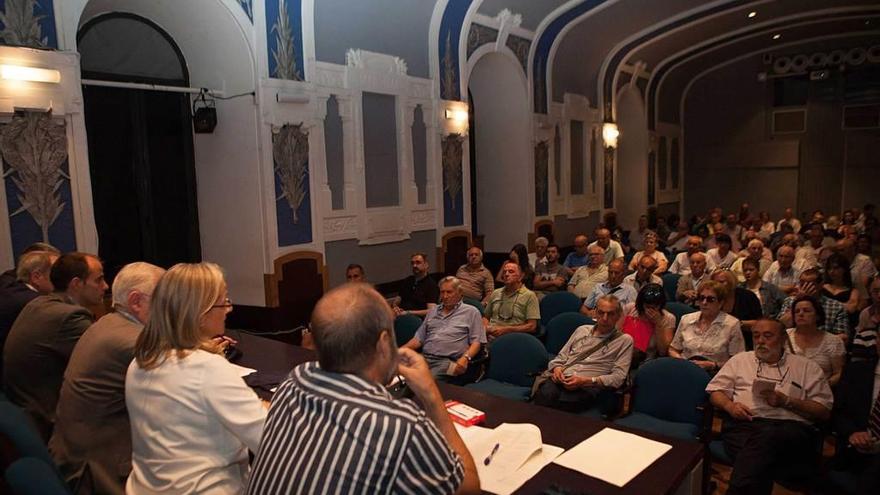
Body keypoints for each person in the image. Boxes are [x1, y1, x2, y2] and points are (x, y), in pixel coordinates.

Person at [246, 283, 479, 495]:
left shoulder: (293, 382)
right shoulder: (401, 425)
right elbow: (468, 488)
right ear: (383, 342)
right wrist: (431, 396)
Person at [125, 262, 267, 494]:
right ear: (201, 314)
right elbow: (268, 440)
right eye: (224, 302)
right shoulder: (207, 368)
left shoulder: (140, 362)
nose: (228, 310)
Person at [49, 262, 165, 494]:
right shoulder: (133, 341)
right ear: (136, 301)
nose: (171, 307)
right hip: (99, 472)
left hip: (75, 450)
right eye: (164, 299)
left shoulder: (106, 323)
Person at [707, 319, 833, 495]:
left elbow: (824, 411)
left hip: (790, 429)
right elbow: (715, 392)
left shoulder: (806, 367)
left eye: (767, 336)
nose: (760, 341)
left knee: (762, 446)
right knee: (762, 454)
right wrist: (730, 406)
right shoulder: (740, 360)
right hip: (744, 424)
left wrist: (787, 401)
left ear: (783, 339)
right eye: (756, 336)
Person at [3, 252, 107, 440]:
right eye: (98, 280)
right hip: (48, 423)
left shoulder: (41, 303)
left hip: (27, 412)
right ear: (76, 284)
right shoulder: (68, 317)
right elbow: (105, 362)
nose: (105, 286)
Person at [532, 295, 633, 412]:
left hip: (588, 386)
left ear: (618, 316)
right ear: (595, 312)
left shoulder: (624, 340)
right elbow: (560, 357)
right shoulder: (582, 330)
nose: (605, 318)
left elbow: (618, 378)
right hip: (562, 378)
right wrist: (557, 369)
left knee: (561, 405)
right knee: (544, 395)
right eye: (601, 313)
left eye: (610, 314)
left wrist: (587, 381)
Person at [404, 277, 485, 385]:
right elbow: (418, 339)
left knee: (424, 383)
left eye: (449, 292)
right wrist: (399, 351)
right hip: (424, 357)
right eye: (442, 292)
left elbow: (476, 342)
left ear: (460, 293)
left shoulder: (471, 312)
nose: (445, 296)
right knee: (401, 378)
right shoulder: (433, 311)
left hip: (449, 362)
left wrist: (465, 358)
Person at [831, 326, 879, 495]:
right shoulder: (855, 371)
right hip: (855, 449)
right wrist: (852, 433)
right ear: (877, 342)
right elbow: (838, 412)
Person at [0, 250, 58, 382]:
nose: (62, 278)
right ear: (36, 277)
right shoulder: (36, 304)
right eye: (57, 273)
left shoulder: (9, 284)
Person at [669, 280, 745, 373]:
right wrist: (682, 361)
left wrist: (713, 365)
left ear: (721, 303)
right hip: (685, 370)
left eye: (710, 299)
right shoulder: (686, 319)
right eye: (701, 298)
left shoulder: (732, 324)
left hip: (715, 374)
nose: (704, 302)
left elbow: (738, 361)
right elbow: (673, 349)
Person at [786, 296, 845, 386]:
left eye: (806, 311)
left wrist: (823, 386)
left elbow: (838, 373)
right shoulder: (784, 336)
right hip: (787, 389)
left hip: (820, 392)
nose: (800, 314)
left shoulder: (833, 341)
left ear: (817, 316)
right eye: (796, 311)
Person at [776, 268, 849, 341]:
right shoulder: (789, 301)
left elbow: (843, 338)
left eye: (809, 285)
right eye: (802, 284)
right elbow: (779, 327)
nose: (804, 288)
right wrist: (798, 302)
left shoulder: (836, 306)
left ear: (820, 285)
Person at [621, 284, 675, 366]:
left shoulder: (668, 318)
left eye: (655, 307)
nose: (651, 310)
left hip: (645, 362)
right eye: (647, 306)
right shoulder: (630, 308)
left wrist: (658, 324)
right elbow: (616, 332)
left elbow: (663, 351)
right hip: (622, 355)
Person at [483, 262, 540, 339]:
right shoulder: (496, 292)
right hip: (491, 335)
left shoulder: (529, 295)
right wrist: (485, 328)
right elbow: (486, 317)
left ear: (521, 276)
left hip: (513, 337)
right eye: (504, 272)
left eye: (511, 272)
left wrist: (506, 329)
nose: (506, 274)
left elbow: (532, 326)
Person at [823, 253, 862, 328]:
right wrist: (843, 305)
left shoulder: (853, 291)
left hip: (842, 325)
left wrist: (826, 304)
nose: (832, 271)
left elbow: (851, 309)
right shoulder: (822, 288)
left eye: (836, 268)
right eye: (829, 268)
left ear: (844, 269)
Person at [838, 238, 878, 307]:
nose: (839, 253)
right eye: (838, 251)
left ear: (852, 249)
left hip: (862, 297)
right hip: (843, 294)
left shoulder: (865, 260)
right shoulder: (838, 262)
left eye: (842, 250)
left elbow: (863, 284)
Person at [396, 252, 438, 318]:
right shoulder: (408, 280)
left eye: (418, 263)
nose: (414, 265)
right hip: (400, 315)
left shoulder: (431, 285)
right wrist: (395, 307)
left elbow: (431, 311)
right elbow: (398, 300)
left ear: (426, 265)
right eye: (412, 263)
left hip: (416, 319)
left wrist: (409, 312)